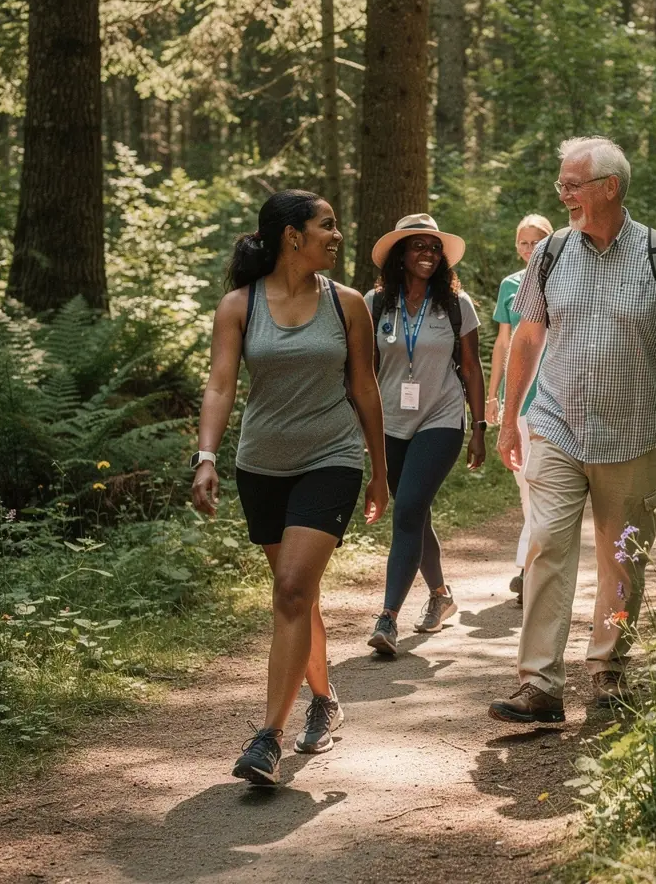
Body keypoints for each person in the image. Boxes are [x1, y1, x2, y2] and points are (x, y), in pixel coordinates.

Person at [489, 136, 656, 724]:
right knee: (546, 545)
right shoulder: (549, 255)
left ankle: (608, 667)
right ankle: (539, 684)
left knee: (623, 558)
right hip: (557, 426)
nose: (563, 195)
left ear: (609, 188)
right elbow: (527, 338)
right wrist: (511, 420)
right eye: (562, 185)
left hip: (634, 435)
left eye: (572, 185)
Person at [191, 189, 388, 787]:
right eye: (327, 225)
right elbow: (220, 385)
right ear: (292, 237)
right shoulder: (239, 305)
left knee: (292, 588)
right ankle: (324, 699)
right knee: (297, 598)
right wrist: (206, 457)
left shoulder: (347, 304)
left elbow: (364, 388)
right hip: (262, 466)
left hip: (330, 458)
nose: (337, 235)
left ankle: (267, 739)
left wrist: (380, 471)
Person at [364, 214, 488, 656]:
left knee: (409, 509)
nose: (429, 255)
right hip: (390, 423)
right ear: (400, 254)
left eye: (435, 248)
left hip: (442, 417)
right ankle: (440, 594)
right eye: (419, 246)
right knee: (414, 513)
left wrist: (478, 427)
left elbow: (471, 368)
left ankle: (387, 618)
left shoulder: (455, 304)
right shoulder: (375, 304)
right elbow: (363, 369)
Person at [485, 214, 554, 604]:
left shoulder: (562, 279)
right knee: (527, 486)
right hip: (521, 399)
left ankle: (530, 569)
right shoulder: (510, 286)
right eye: (523, 243)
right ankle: (532, 565)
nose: (529, 250)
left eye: (536, 242)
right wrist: (493, 395)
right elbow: (503, 344)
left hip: (557, 397)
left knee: (547, 485)